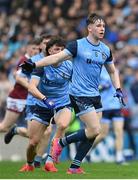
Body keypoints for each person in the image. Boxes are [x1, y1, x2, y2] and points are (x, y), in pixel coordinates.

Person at [21, 13, 125, 174]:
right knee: (96, 129)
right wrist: (34, 64)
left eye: (103, 26)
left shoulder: (106, 50)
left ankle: (74, 167)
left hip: (94, 95)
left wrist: (117, 88)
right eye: (98, 25)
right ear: (89, 28)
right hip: (78, 94)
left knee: (92, 134)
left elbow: (112, 71)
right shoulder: (77, 45)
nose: (102, 28)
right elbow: (55, 59)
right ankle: (61, 143)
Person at [19, 36, 73, 172]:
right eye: (56, 49)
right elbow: (31, 87)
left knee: (63, 125)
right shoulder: (41, 65)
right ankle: (29, 164)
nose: (60, 52)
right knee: (33, 142)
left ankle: (50, 161)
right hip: (43, 104)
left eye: (62, 49)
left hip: (63, 102)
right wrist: (44, 99)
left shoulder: (69, 65)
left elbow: (77, 83)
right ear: (49, 51)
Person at [0, 39, 40, 135]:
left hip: (29, 99)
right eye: (33, 48)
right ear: (27, 48)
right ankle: (15, 130)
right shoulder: (24, 60)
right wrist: (32, 86)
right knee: (4, 126)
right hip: (18, 97)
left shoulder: (36, 61)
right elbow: (18, 77)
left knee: (33, 133)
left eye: (37, 49)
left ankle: (15, 130)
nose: (35, 51)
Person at [91, 67, 126, 164]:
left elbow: (119, 86)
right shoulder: (97, 70)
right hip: (105, 106)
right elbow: (94, 87)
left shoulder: (116, 70)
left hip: (116, 105)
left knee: (119, 131)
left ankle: (119, 157)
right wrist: (102, 86)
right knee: (102, 134)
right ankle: (88, 151)